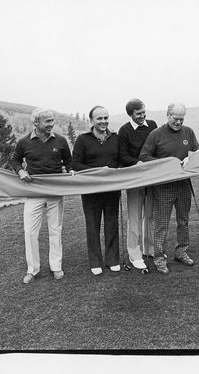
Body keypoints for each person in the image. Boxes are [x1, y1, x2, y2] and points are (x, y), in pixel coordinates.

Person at [11, 108, 73, 284]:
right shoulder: (24, 142)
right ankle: (33, 269)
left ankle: (56, 266)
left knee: (55, 230)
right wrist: (20, 171)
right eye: (47, 121)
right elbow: (15, 160)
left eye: (52, 120)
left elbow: (68, 161)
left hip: (55, 192)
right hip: (33, 192)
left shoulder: (61, 140)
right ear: (35, 123)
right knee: (30, 232)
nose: (51, 124)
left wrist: (71, 171)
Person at [139, 103, 199, 274]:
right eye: (175, 118)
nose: (179, 122)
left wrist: (191, 158)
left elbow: (196, 151)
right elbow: (144, 156)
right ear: (167, 115)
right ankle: (159, 258)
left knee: (183, 221)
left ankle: (181, 251)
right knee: (162, 224)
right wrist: (165, 165)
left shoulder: (188, 132)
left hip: (183, 184)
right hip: (163, 186)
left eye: (181, 119)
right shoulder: (156, 134)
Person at [73, 106, 122, 275]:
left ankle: (112, 259)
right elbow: (76, 164)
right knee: (92, 225)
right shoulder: (82, 139)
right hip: (91, 191)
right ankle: (95, 262)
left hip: (111, 189)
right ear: (91, 121)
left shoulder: (116, 138)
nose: (103, 121)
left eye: (106, 118)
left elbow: (121, 160)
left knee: (112, 224)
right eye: (99, 118)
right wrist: (99, 170)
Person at [118, 99, 158, 270]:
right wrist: (137, 164)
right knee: (134, 217)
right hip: (135, 178)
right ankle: (135, 254)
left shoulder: (152, 125)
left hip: (152, 177)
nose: (143, 116)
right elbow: (122, 155)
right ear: (131, 115)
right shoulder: (124, 130)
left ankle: (149, 249)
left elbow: (157, 147)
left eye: (144, 112)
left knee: (150, 215)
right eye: (139, 114)